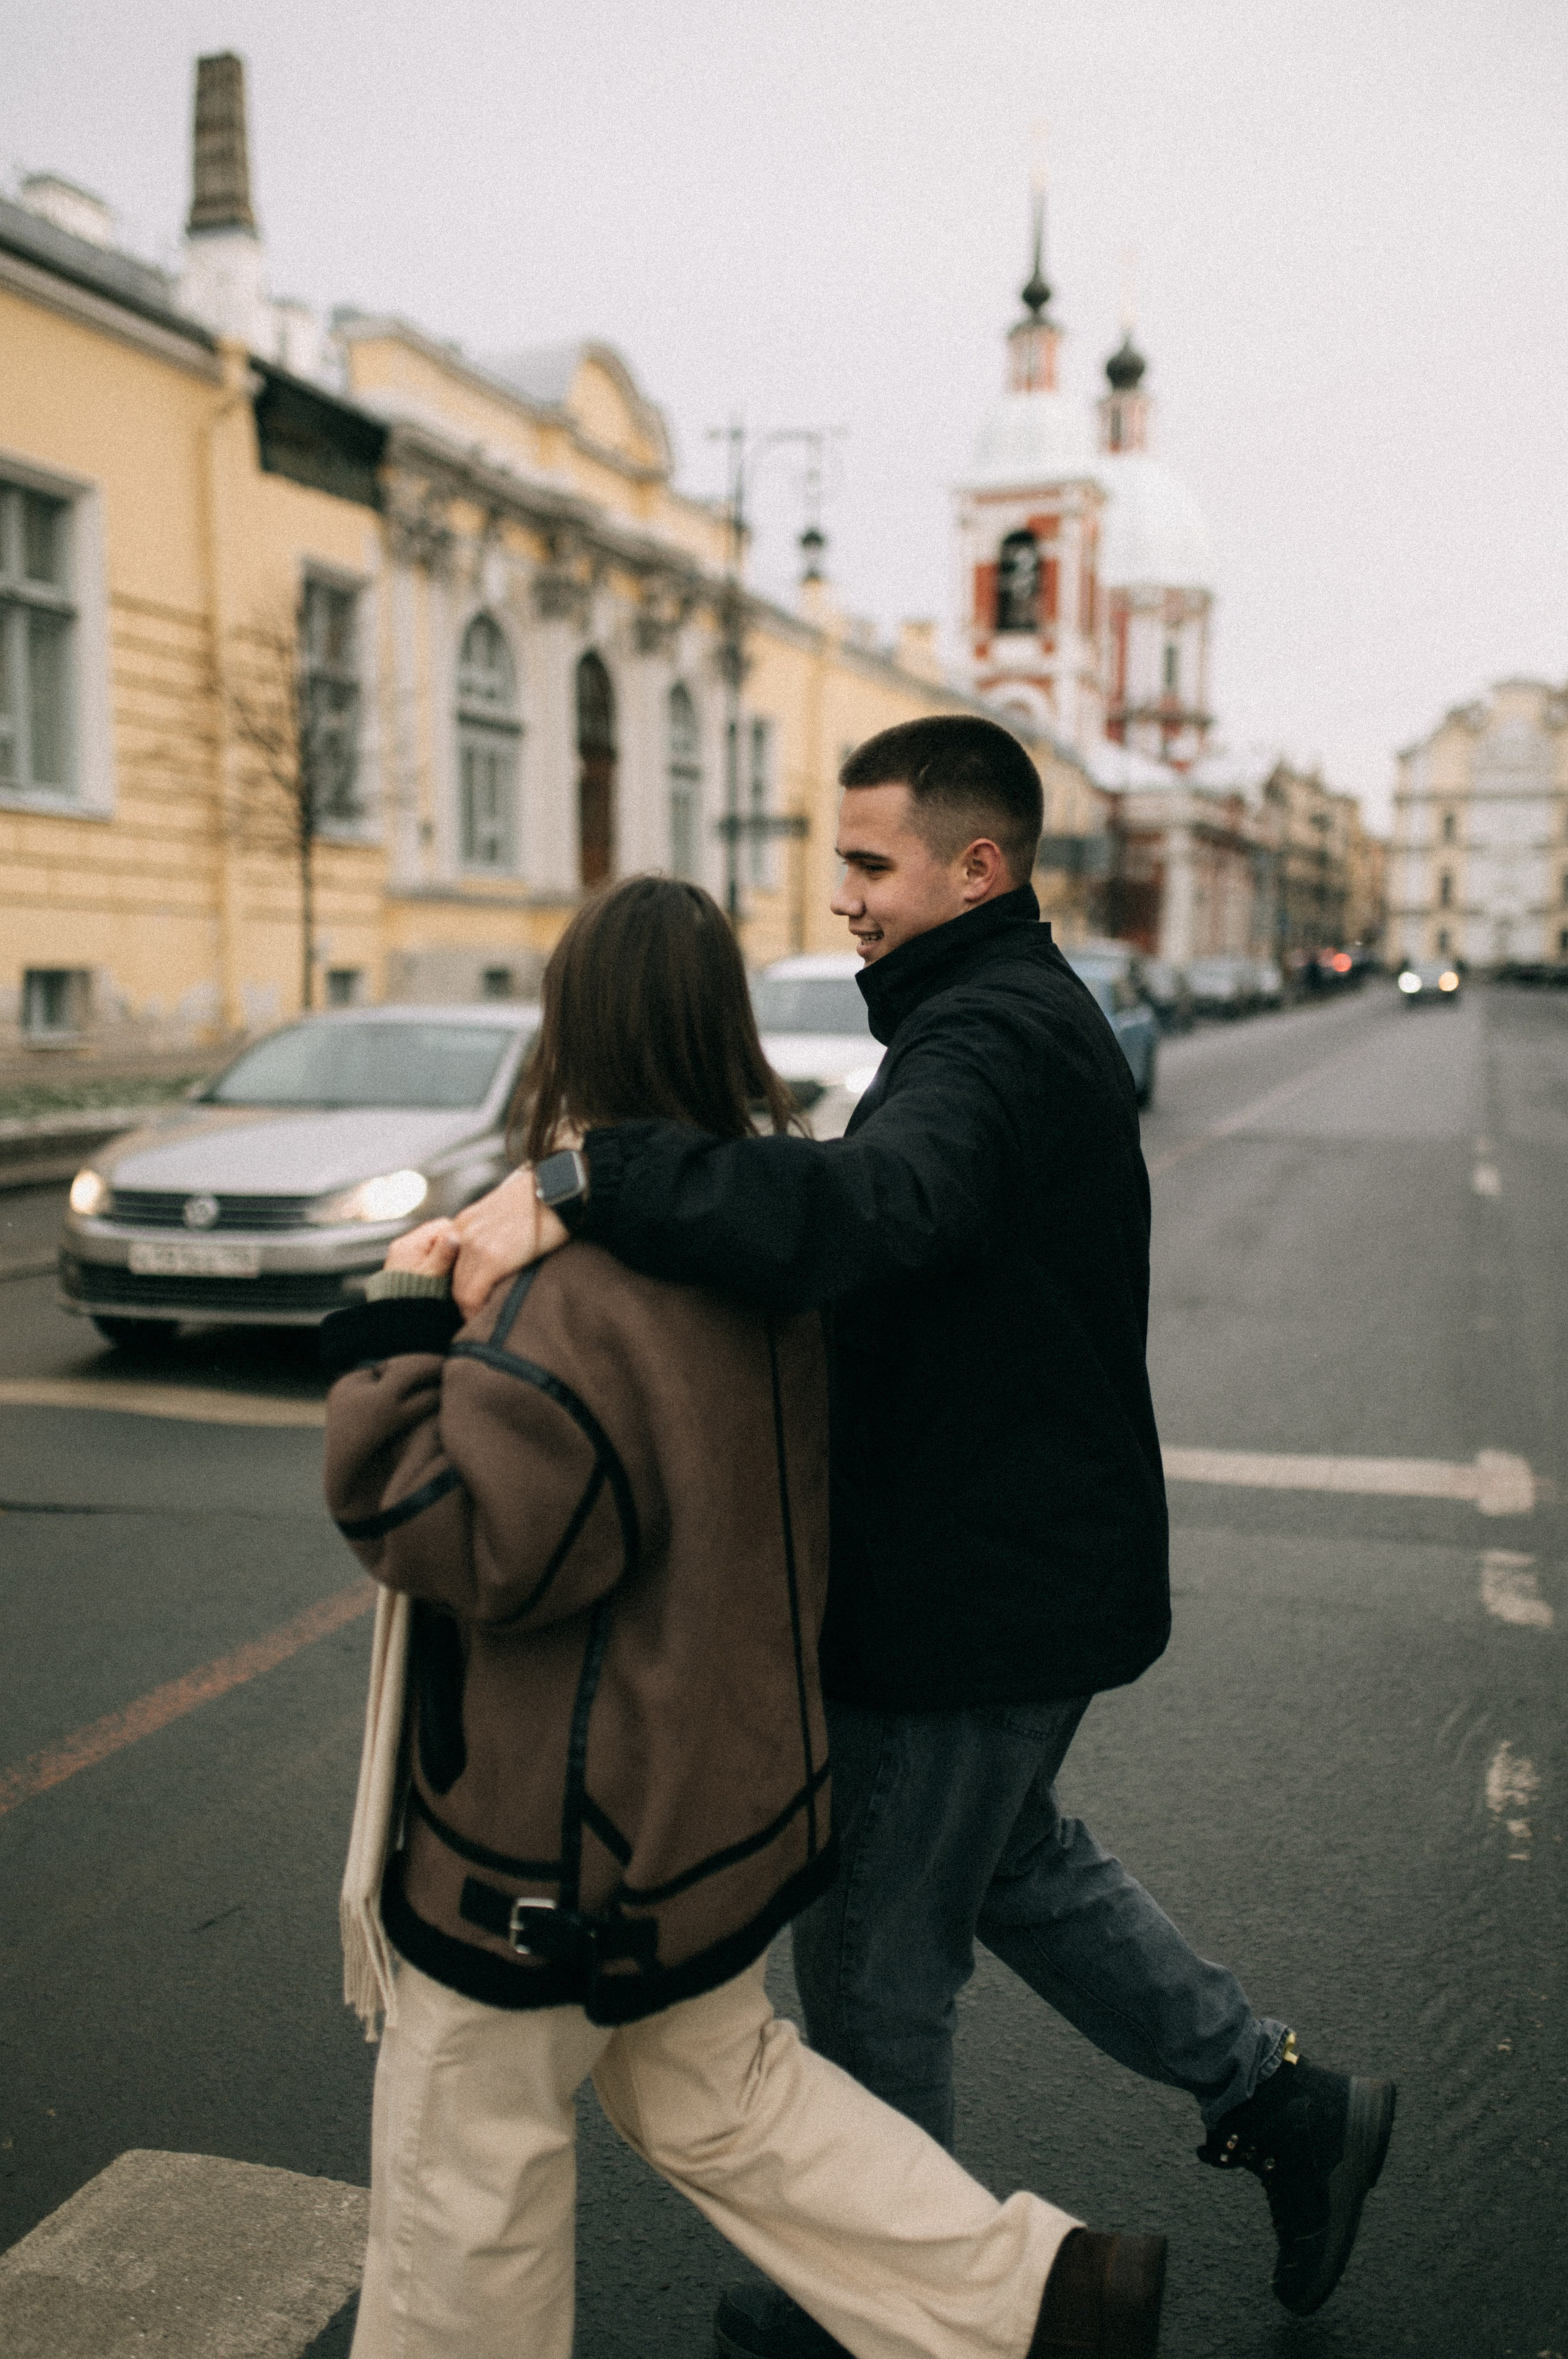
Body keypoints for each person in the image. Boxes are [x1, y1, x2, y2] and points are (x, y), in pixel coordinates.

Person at [448, 719, 1397, 2342]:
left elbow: (881, 1210)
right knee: (1015, 1862)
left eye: (872, 864)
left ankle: (888, 2310)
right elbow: (903, 1208)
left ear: (980, 865)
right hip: (1018, 1572)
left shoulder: (991, 1037)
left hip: (968, 1599)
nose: (845, 898)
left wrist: (604, 1174)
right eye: (843, 865)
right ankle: (1285, 2105)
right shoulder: (992, 1017)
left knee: (881, 1977)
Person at [320, 875, 1169, 2359]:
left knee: (467, 2183)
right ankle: (1032, 2294)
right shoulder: (759, 1244)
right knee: (724, 2095)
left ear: (568, 1028)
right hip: (709, 1815)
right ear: (721, 1022)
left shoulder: (574, 1289)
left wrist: (397, 1330)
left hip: (549, 1842)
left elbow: (464, 1539)